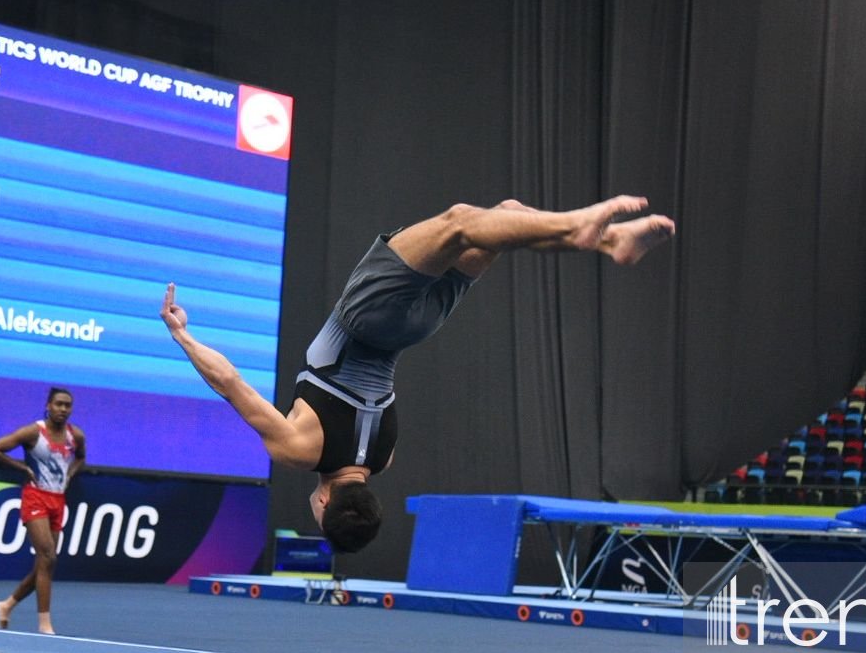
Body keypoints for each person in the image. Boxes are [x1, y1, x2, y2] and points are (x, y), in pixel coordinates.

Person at [161, 196, 675, 554]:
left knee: (505, 218)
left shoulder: (384, 456)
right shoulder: (297, 449)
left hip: (416, 327)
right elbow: (230, 383)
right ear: (321, 504)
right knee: (457, 223)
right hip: (367, 317)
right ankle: (591, 234)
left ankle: (609, 240)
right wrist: (184, 337)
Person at [0, 386, 86, 634]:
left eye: (67, 405)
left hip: (57, 501)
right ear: (48, 406)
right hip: (35, 497)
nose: (63, 409)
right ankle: (44, 624)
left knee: (46, 563)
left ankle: (7, 605)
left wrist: (70, 475)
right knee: (48, 557)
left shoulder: (76, 436)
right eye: (58, 404)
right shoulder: (33, 432)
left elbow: (81, 458)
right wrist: (21, 468)